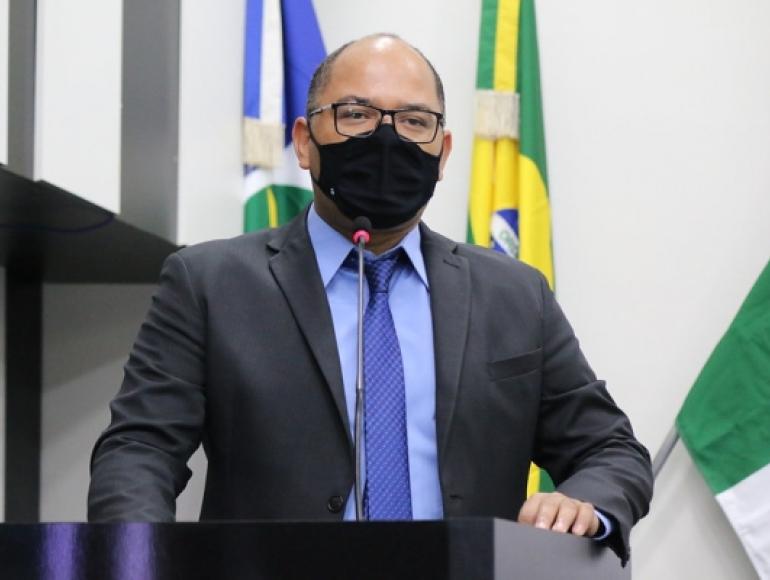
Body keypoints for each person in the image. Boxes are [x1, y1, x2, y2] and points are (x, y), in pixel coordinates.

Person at [88, 33, 652, 564]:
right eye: (356, 114)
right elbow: (140, 449)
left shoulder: (514, 294)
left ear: (443, 152)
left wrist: (585, 506)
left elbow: (610, 450)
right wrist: (136, 559)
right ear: (304, 141)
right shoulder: (209, 283)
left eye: (414, 121)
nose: (387, 140)